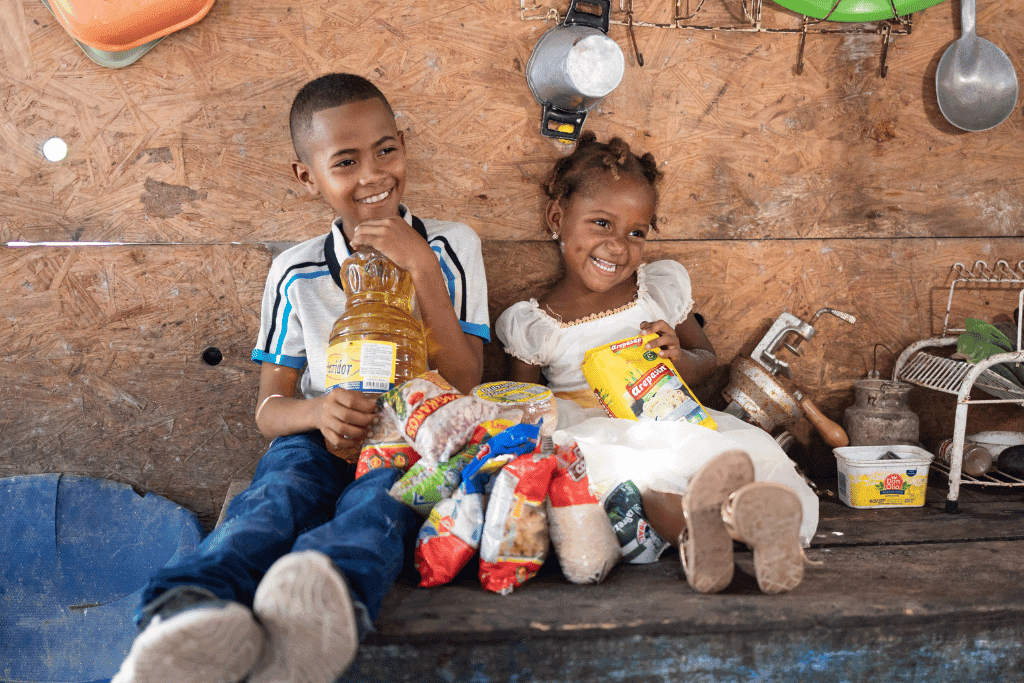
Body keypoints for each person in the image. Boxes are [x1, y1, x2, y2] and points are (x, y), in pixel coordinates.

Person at [113, 73, 490, 683]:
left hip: (408, 439)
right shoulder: (296, 271)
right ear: (307, 176)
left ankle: (317, 612)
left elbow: (467, 378)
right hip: (317, 434)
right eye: (344, 161)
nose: (373, 175)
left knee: (379, 509)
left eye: (386, 150)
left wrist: (420, 266)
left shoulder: (450, 246)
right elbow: (270, 411)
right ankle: (184, 618)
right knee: (274, 499)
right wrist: (319, 414)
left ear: (404, 146)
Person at [495, 131, 818, 596]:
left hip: (670, 421)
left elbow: (708, 361)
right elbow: (526, 404)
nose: (618, 246)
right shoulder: (536, 325)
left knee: (717, 464)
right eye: (601, 223)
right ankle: (704, 541)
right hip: (594, 434)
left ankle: (751, 526)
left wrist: (680, 359)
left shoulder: (656, 291)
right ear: (557, 218)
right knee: (647, 484)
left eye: (636, 232)